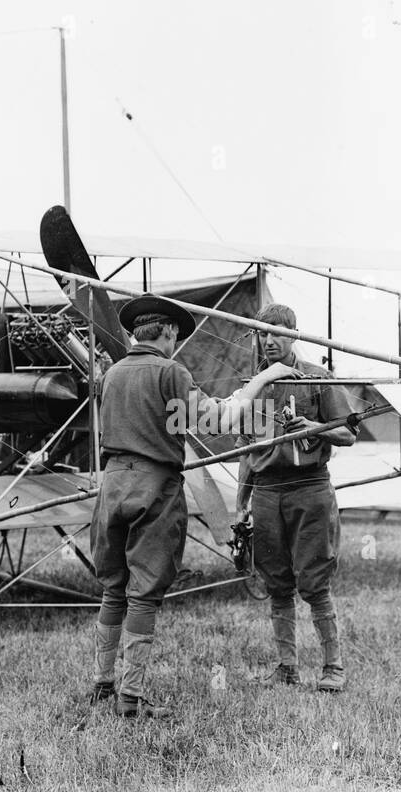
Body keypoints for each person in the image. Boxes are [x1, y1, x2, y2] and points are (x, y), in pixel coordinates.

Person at [91, 294, 300, 719]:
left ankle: (102, 683)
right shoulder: (171, 372)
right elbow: (220, 420)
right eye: (175, 337)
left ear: (136, 332)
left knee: (114, 587)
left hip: (111, 485)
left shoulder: (112, 374)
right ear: (167, 333)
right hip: (153, 485)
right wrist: (263, 380)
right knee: (144, 593)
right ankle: (130, 699)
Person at [237, 303, 358, 693]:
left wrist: (316, 427)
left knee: (315, 581)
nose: (269, 340)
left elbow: (349, 434)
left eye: (276, 332)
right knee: (277, 583)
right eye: (261, 332)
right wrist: (240, 505)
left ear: (294, 334)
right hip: (268, 493)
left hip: (310, 489)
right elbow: (245, 452)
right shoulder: (253, 385)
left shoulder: (317, 378)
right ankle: (287, 667)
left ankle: (333, 667)